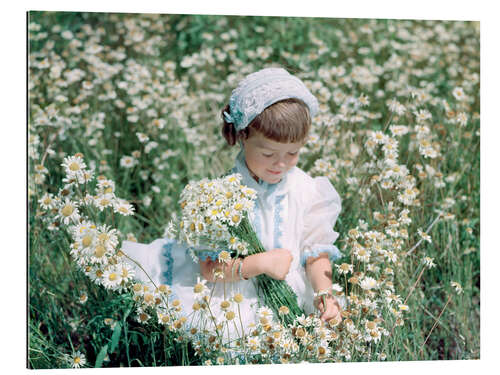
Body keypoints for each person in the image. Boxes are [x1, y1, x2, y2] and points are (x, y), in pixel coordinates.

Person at [122, 67, 342, 340]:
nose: (281, 163)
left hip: (291, 291)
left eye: (293, 153)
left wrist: (323, 292)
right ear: (242, 136)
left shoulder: (307, 190)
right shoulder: (218, 197)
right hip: (234, 293)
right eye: (268, 153)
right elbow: (210, 269)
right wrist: (260, 263)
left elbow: (315, 252)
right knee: (231, 333)